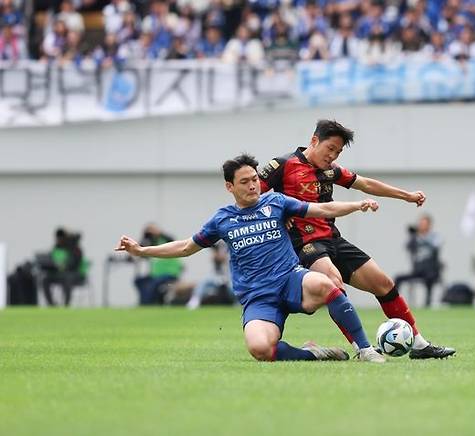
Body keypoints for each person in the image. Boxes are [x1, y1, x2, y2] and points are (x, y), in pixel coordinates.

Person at [115, 154, 385, 363]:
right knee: (260, 349)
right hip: (259, 297)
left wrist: (357, 205)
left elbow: (322, 208)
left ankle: (364, 349)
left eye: (255, 179)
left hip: (291, 280)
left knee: (328, 284)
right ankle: (315, 354)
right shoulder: (222, 220)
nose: (253, 185)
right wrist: (142, 251)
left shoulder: (276, 202)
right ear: (229, 186)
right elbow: (186, 246)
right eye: (244, 181)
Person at [259, 119, 456, 359]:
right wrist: (278, 214)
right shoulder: (283, 164)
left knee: (382, 283)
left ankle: (419, 345)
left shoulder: (331, 170)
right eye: (329, 148)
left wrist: (406, 196)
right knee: (334, 282)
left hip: (333, 239)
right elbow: (249, 195)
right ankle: (362, 349)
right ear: (313, 141)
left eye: (338, 151)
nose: (332, 155)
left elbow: (366, 184)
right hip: (305, 243)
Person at [395, 215, 443, 308]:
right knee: (398, 278)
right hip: (418, 271)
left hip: (431, 271)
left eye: (424, 224)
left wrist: (421, 237)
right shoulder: (415, 237)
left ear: (429, 225)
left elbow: (436, 245)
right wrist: (413, 236)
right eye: (420, 224)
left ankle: (427, 304)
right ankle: (395, 304)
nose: (421, 226)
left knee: (429, 279)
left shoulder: (435, 236)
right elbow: (407, 247)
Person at [133, 223, 184, 305]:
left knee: (153, 285)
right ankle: (143, 304)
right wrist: (145, 235)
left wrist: (158, 232)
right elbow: (140, 247)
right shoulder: (152, 243)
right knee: (140, 281)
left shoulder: (166, 241)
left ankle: (149, 305)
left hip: (169, 274)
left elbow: (172, 240)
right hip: (155, 276)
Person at [41, 228, 86, 306]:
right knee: (45, 280)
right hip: (60, 273)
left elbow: (76, 263)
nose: (59, 240)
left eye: (61, 238)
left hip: (75, 273)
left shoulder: (74, 247)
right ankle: (51, 305)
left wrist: (65, 266)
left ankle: (66, 305)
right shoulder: (57, 247)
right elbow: (52, 258)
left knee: (67, 278)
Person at [186, 241, 232, 310]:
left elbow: (225, 259)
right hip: (217, 277)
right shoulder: (216, 250)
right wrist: (215, 253)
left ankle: (239, 303)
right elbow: (214, 258)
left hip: (230, 276)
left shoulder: (230, 248)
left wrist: (222, 255)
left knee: (233, 289)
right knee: (203, 283)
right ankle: (195, 301)